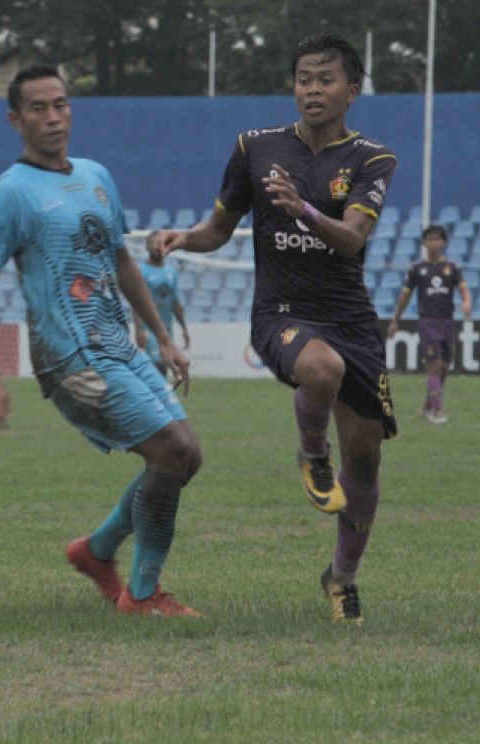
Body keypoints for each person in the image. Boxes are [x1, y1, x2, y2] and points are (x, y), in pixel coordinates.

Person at [149, 33, 398, 624]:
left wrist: (304, 210)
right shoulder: (255, 148)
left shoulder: (372, 159)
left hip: (352, 319)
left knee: (363, 461)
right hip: (282, 314)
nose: (312, 89)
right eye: (304, 78)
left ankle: (342, 578)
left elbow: (353, 239)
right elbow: (219, 228)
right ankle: (312, 454)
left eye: (326, 79)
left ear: (352, 91)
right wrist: (184, 238)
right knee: (322, 369)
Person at [0, 65, 204, 617]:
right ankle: (141, 597)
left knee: (187, 456)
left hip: (119, 346)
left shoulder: (97, 175)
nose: (53, 117)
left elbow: (121, 259)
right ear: (15, 119)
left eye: (61, 105)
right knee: (171, 451)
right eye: (38, 108)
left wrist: (164, 339)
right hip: (69, 358)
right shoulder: (10, 193)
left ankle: (96, 553)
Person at [386, 224, 472, 424]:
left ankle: (427, 406)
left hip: (447, 322)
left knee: (444, 367)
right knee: (434, 365)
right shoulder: (417, 268)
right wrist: (395, 320)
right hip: (427, 322)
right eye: (430, 239)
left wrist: (466, 302)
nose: (434, 243)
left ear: (444, 242)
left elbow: (463, 288)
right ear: (424, 243)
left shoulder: (452, 268)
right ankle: (437, 411)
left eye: (437, 239)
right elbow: (405, 296)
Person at [132, 249, 190, 377]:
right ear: (148, 247)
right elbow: (136, 301)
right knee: (158, 367)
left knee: (164, 365)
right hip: (149, 327)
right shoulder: (140, 271)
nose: (157, 248)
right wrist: (139, 329)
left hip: (166, 328)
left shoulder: (171, 272)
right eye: (154, 245)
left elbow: (175, 302)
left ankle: (156, 395)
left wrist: (184, 328)